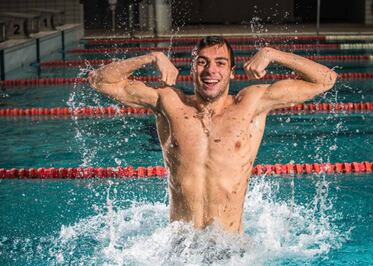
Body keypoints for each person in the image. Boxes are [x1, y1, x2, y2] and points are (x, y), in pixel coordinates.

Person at [88, 36, 337, 233]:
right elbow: (100, 81)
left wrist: (272, 54)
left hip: (231, 250)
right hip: (179, 248)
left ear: (232, 72)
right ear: (192, 69)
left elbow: (326, 80)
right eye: (202, 61)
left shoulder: (251, 103)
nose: (211, 70)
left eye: (220, 63)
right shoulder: (169, 102)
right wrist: (153, 57)